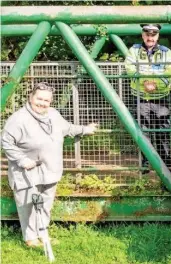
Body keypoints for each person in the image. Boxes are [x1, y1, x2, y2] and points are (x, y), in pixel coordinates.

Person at [1, 82, 98, 247]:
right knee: (28, 205)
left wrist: (84, 129)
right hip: (26, 172)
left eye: (46, 100)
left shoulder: (53, 114)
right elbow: (6, 142)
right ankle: (30, 238)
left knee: (45, 204)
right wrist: (22, 160)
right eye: (39, 99)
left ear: (50, 102)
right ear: (31, 97)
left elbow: (67, 128)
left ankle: (43, 234)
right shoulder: (18, 119)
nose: (42, 103)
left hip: (50, 170)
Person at [125, 23, 171, 174]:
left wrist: (154, 84)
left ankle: (166, 161)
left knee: (163, 130)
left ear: (157, 36)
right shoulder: (134, 50)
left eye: (153, 35)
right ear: (143, 35)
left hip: (161, 98)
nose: (150, 37)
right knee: (143, 131)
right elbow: (130, 69)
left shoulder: (166, 52)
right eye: (147, 34)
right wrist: (146, 82)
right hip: (140, 98)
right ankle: (145, 164)